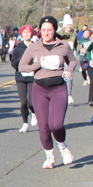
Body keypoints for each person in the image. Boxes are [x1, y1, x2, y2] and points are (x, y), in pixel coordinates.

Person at [16, 16, 76, 169]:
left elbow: (72, 60)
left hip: (58, 88)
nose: (46, 33)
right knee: (43, 126)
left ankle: (63, 147)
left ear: (55, 30)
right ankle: (50, 157)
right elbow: (22, 66)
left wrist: (69, 70)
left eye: (49, 30)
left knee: (56, 125)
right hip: (40, 89)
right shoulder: (33, 47)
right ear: (40, 31)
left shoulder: (63, 45)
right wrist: (37, 64)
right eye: (43, 30)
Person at [10, 25, 36, 133]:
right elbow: (13, 63)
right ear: (21, 34)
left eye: (28, 32)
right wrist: (21, 61)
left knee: (31, 102)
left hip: (32, 77)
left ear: (32, 34)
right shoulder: (18, 47)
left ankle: (34, 113)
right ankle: (25, 123)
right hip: (21, 77)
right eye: (24, 32)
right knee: (23, 102)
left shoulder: (35, 46)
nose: (26, 34)